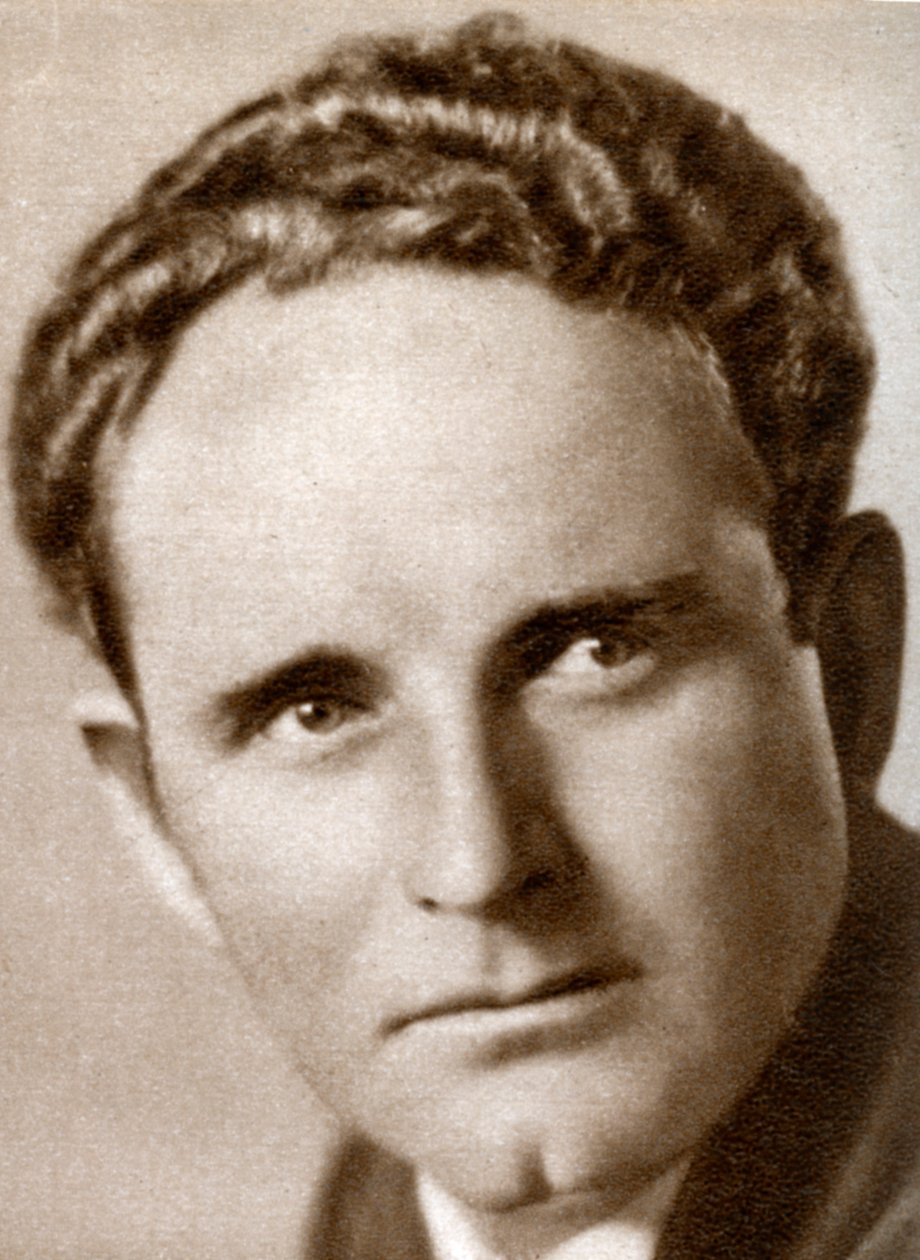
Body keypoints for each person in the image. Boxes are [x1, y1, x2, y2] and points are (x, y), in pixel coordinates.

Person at [7, 12, 918, 1259]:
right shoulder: (391, 1214)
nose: (478, 862)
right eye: (316, 712)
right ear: (157, 818)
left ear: (849, 670)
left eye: (593, 654)